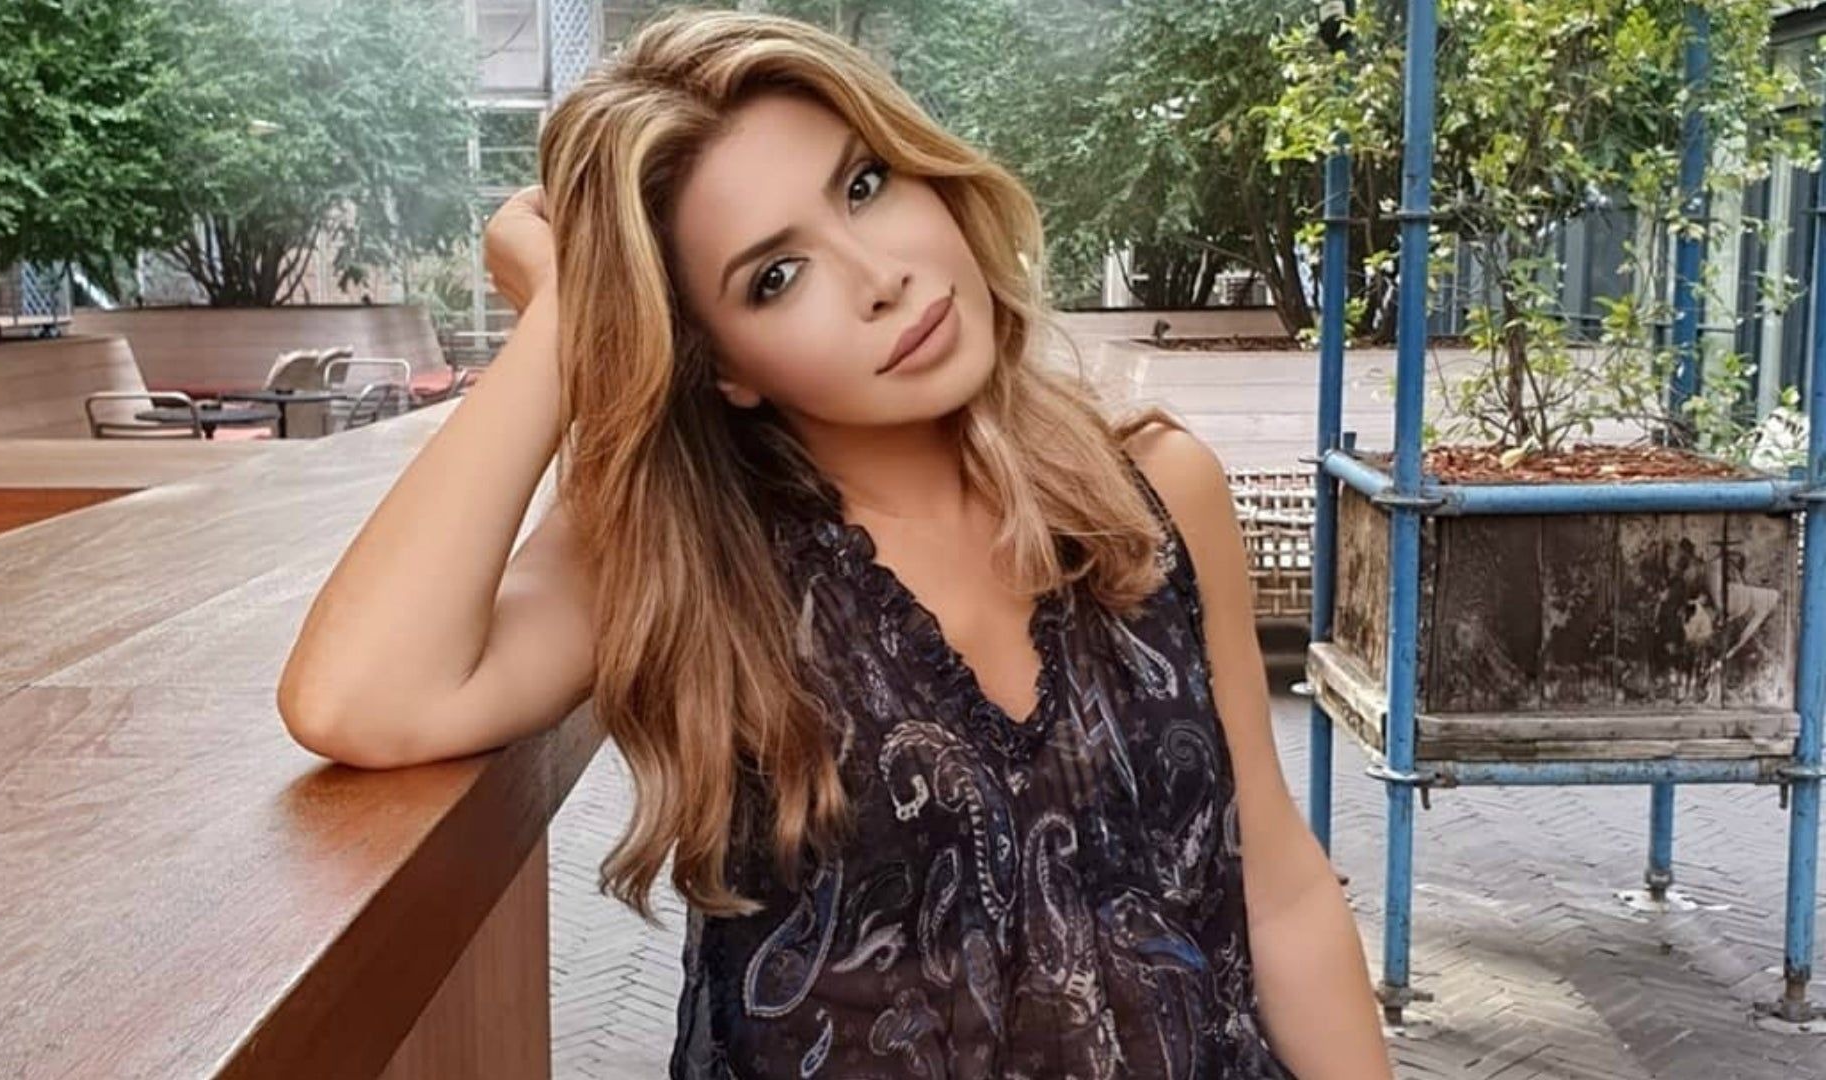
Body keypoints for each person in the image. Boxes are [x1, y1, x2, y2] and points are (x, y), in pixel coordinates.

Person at [277, 9, 1390, 1078]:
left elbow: (1277, 887)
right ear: (720, 362)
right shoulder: (688, 561)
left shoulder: (1152, 491)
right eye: (776, 276)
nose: (879, 278)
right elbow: (359, 697)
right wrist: (571, 313)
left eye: (864, 185)